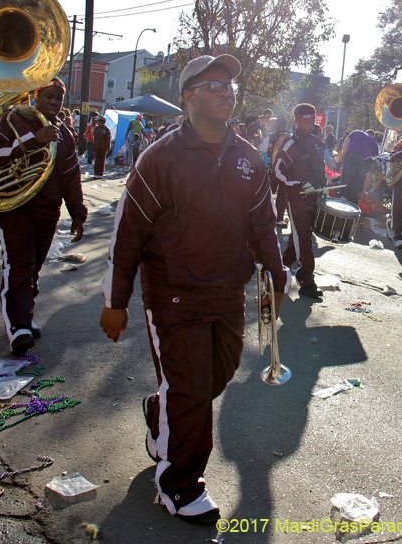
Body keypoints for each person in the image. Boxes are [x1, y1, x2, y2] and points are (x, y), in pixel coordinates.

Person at [99, 54, 288, 525]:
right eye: (213, 85)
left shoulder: (248, 157)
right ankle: (178, 484)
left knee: (215, 378)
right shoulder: (159, 158)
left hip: (226, 294)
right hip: (173, 295)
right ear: (188, 97)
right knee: (191, 390)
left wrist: (277, 274)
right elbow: (128, 236)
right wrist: (115, 302)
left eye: (230, 86)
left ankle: (158, 411)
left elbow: (263, 222)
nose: (227, 92)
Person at [0, 77, 86, 354]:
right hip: (15, 208)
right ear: (35, 96)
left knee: (34, 267)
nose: (53, 102)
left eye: (58, 98)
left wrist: (77, 213)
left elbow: (70, 176)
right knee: (20, 265)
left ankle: (24, 318)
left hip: (46, 212)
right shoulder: (13, 120)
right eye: (48, 96)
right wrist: (32, 140)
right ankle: (18, 328)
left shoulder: (64, 134)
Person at [274, 104, 325, 298]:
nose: (310, 125)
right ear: (296, 121)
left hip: (314, 197)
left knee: (299, 238)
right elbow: (278, 171)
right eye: (306, 121)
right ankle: (306, 280)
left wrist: (323, 184)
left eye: (312, 121)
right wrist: (300, 183)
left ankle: (278, 269)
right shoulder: (289, 144)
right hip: (297, 199)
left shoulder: (317, 142)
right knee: (303, 238)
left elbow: (320, 167)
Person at [338, 129, 379, 203]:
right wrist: (370, 172)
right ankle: (352, 200)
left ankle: (341, 197)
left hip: (351, 155)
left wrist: (343, 154)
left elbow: (346, 140)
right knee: (358, 180)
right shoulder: (373, 142)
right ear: (372, 136)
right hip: (364, 159)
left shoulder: (357, 132)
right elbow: (375, 158)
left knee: (346, 176)